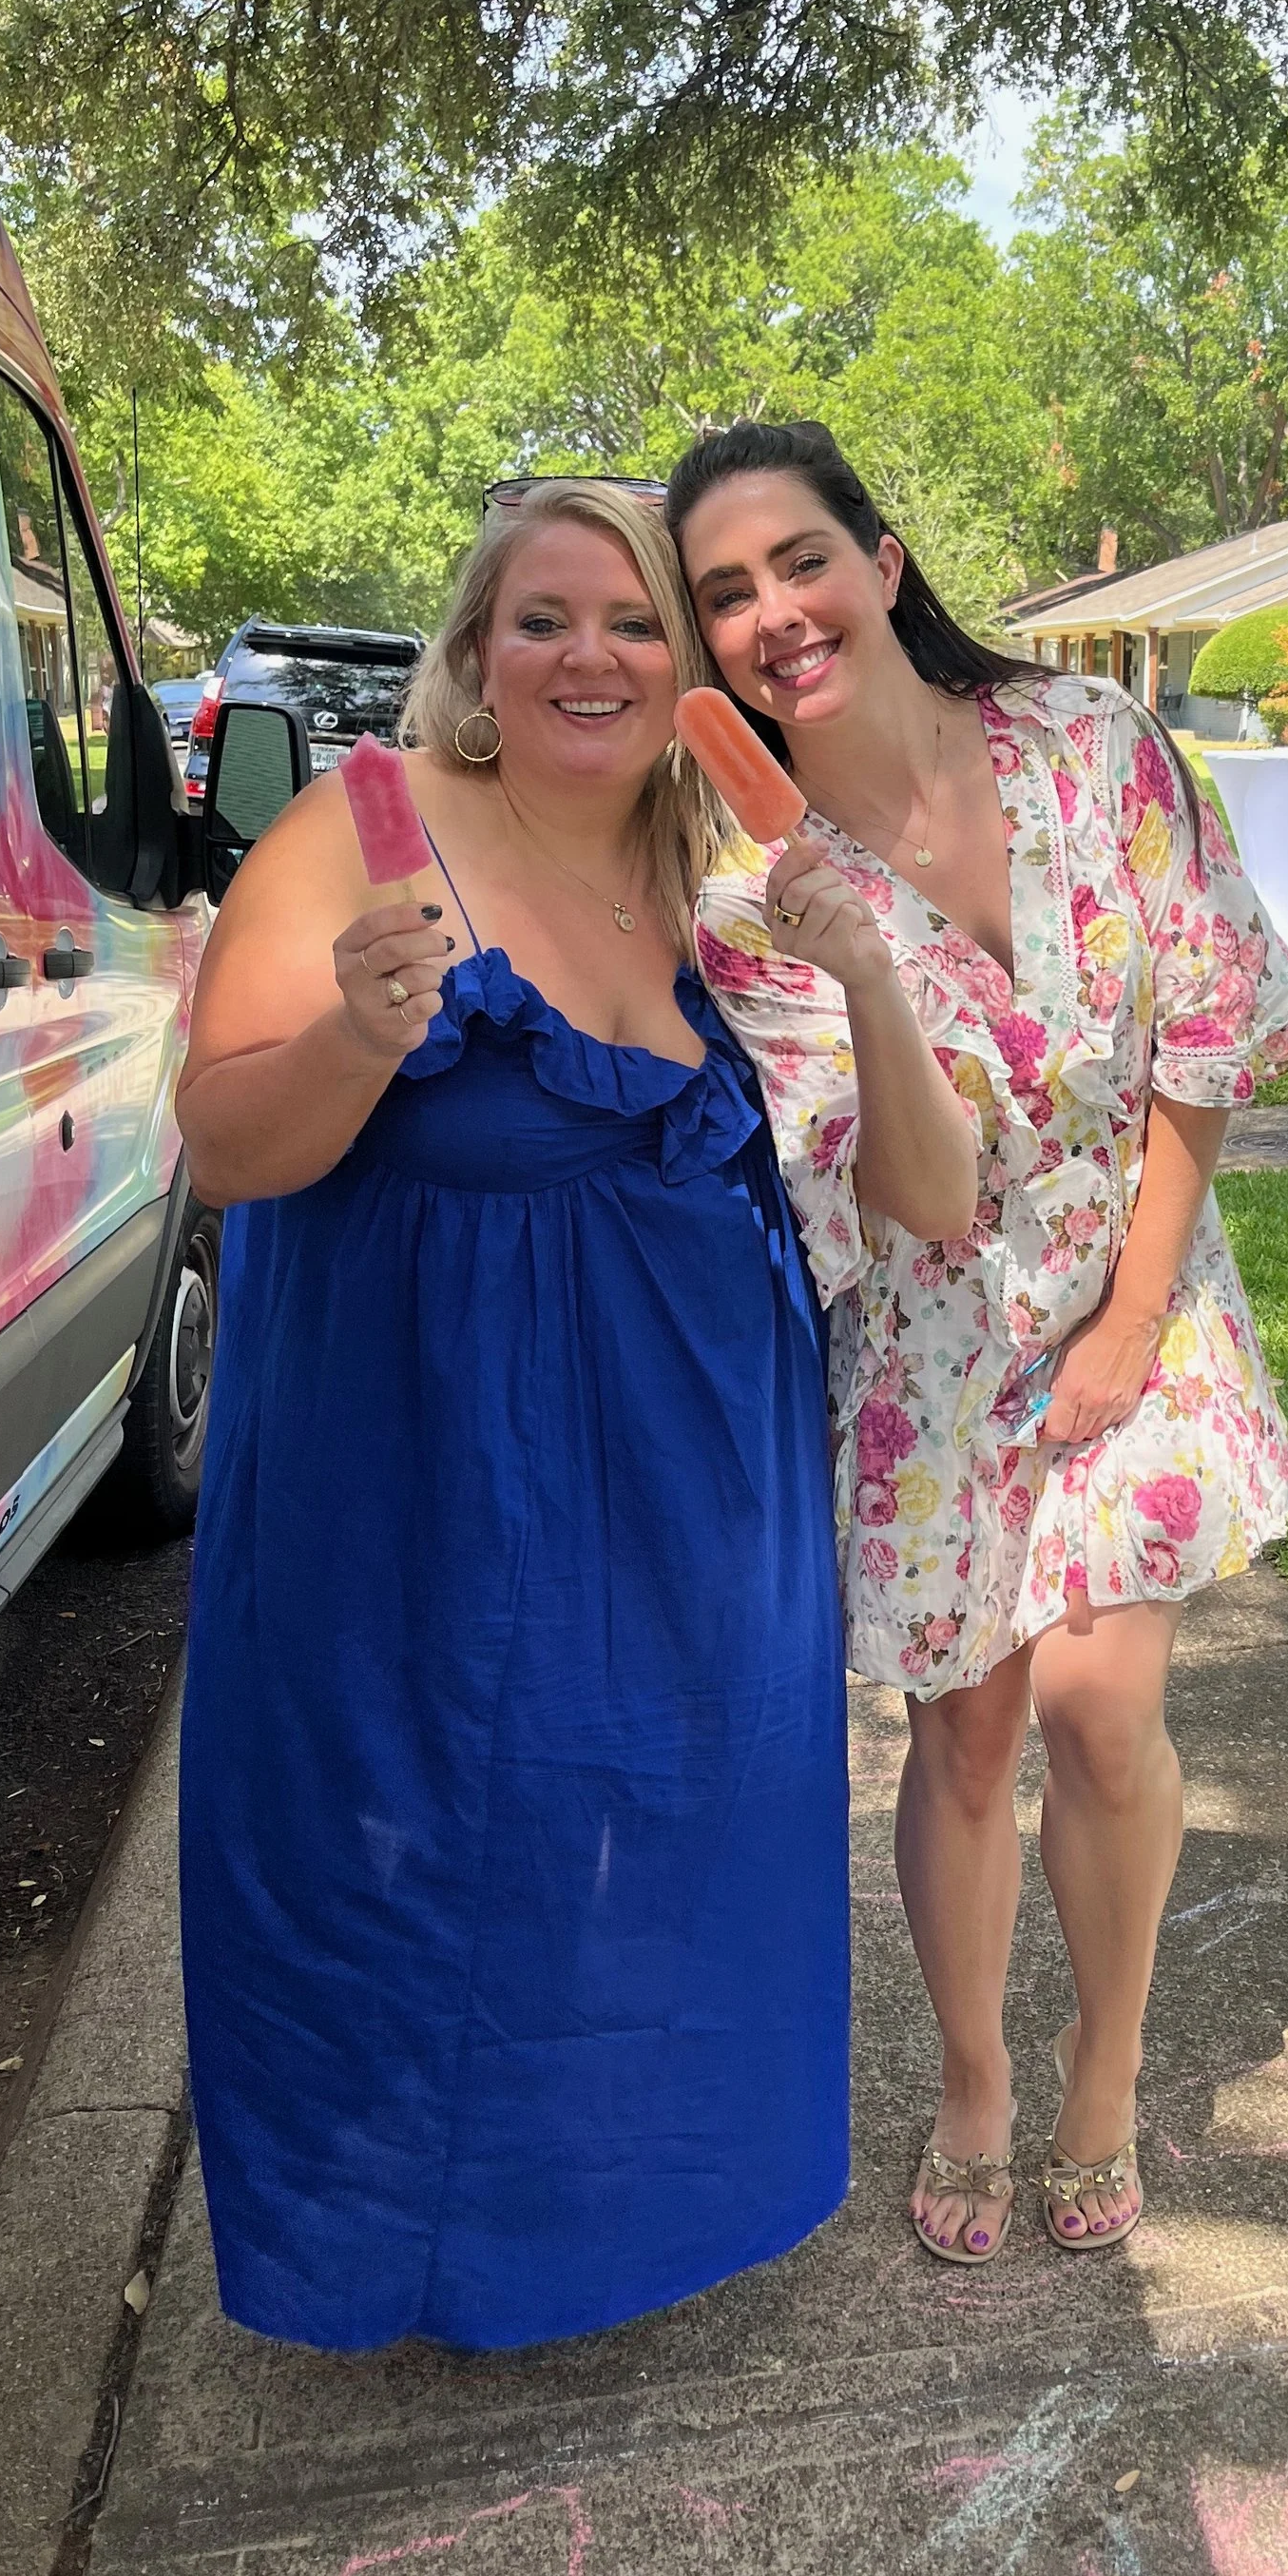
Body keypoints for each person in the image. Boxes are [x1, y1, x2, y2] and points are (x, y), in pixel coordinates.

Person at [173, 478, 971, 2353]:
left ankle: (620, 2207)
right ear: (474, 655)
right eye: (541, 619)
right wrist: (360, 1036)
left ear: (690, 674)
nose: (587, 654)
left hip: (696, 1461)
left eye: (633, 622)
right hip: (422, 1457)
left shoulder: (722, 877)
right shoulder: (367, 827)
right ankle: (396, 2247)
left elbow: (923, 1186)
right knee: (412, 1838)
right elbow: (221, 1146)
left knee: (661, 1831)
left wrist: (865, 964)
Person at [670, 420, 1288, 2266]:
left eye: (795, 559)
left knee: (1101, 1705)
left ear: (881, 564)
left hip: (1141, 1272)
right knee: (963, 1736)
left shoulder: (1092, 746)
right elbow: (913, 1203)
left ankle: (1100, 2063)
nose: (770, 611)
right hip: (934, 1336)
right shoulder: (749, 904)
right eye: (721, 592)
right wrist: (867, 973)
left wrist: (1133, 1317)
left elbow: (1206, 1029)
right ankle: (969, 2077)